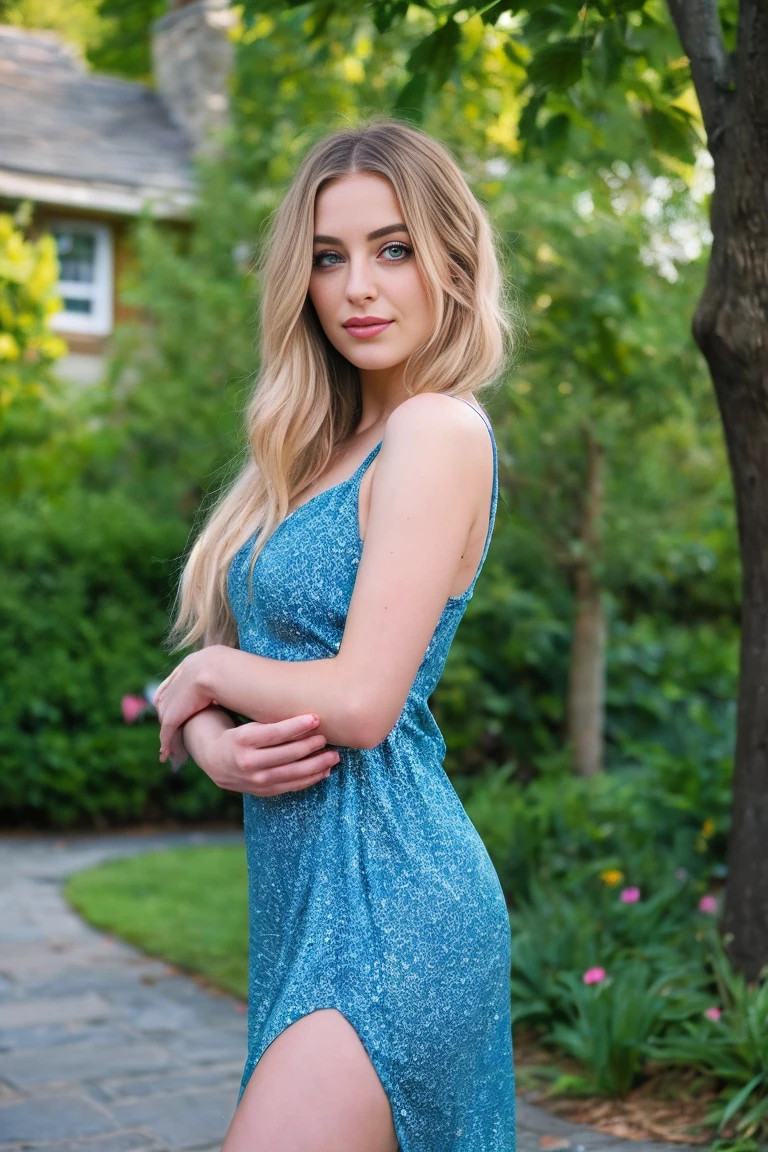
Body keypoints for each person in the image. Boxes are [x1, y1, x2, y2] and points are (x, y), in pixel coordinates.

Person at [154, 116, 518, 1152]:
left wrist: (210, 671)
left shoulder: (437, 427)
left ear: (451, 260)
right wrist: (218, 743)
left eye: (392, 249)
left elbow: (361, 702)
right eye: (329, 257)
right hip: (301, 901)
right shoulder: (321, 451)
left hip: (395, 903)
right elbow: (269, 676)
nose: (358, 284)